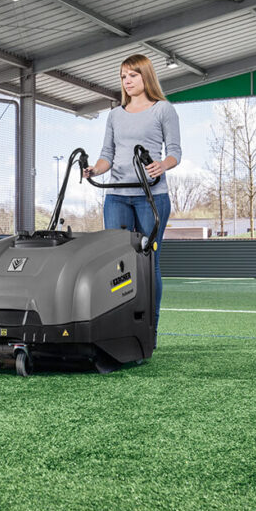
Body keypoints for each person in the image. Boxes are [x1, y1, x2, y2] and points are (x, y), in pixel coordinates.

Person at [83, 53, 181, 336]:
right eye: (123, 76)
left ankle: (150, 328)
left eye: (133, 75)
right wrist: (94, 170)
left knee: (150, 261)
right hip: (117, 197)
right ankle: (119, 326)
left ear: (145, 76)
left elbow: (175, 151)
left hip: (152, 197)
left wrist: (162, 165)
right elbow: (107, 156)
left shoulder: (163, 110)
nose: (127, 81)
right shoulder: (114, 115)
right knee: (116, 263)